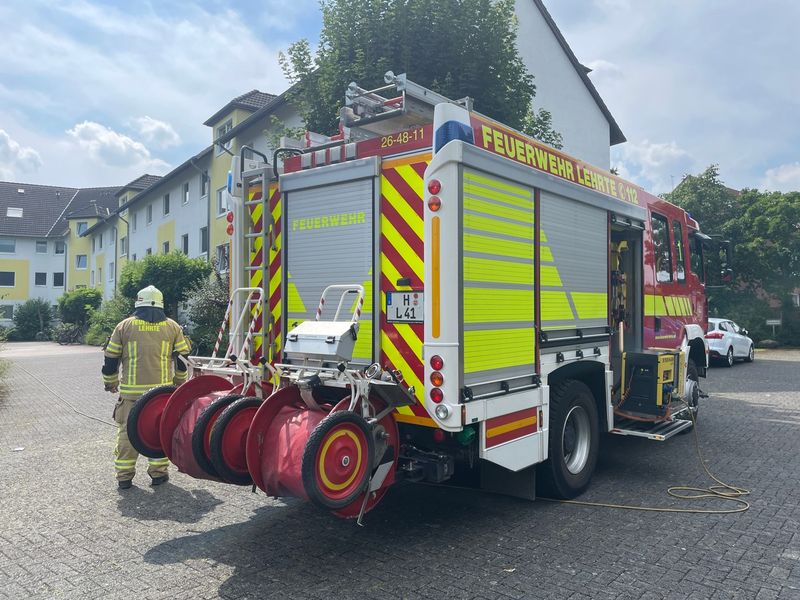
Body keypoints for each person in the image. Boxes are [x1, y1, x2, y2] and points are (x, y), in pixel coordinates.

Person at [102, 285, 190, 489]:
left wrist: (111, 382)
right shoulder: (172, 326)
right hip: (161, 396)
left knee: (126, 433)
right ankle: (158, 474)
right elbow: (182, 357)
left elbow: (110, 358)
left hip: (132, 394)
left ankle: (124, 477)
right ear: (161, 304)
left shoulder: (123, 326)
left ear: (138, 302)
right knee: (159, 431)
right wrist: (179, 380)